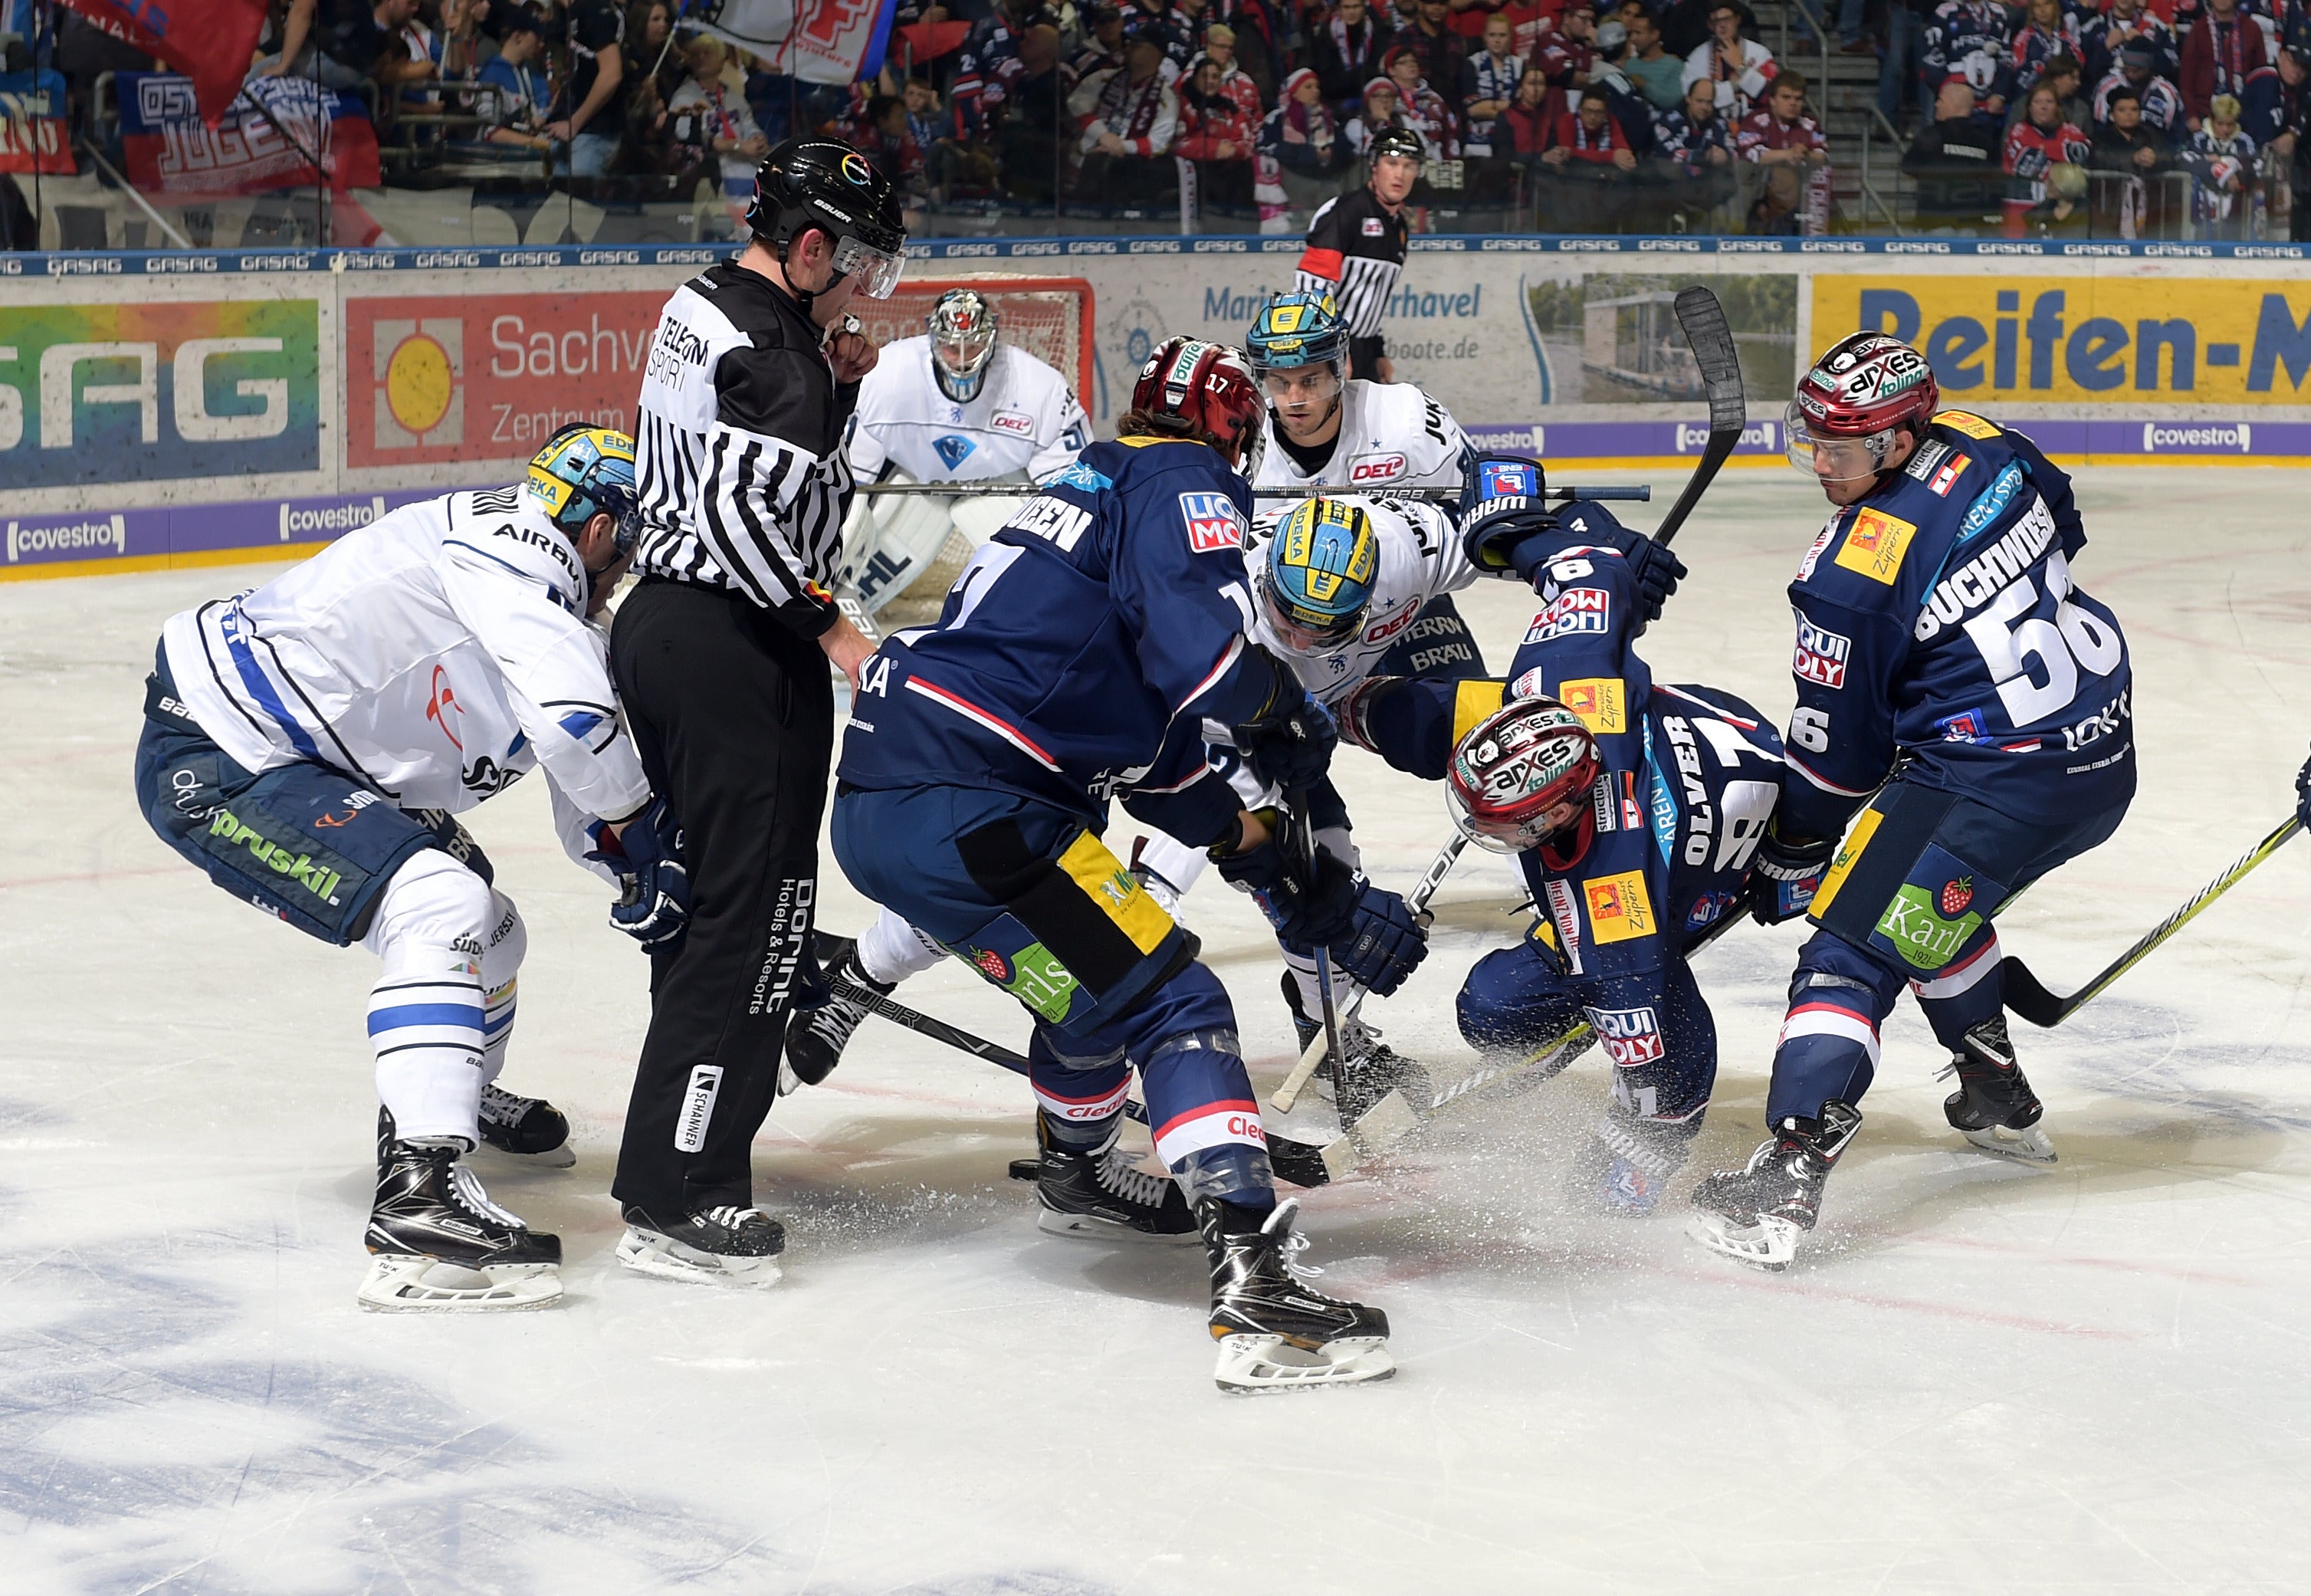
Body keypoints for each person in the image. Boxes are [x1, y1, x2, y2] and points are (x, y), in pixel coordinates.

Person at [830, 337, 1422, 1390]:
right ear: (1231, 432)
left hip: (892, 799)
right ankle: (1255, 1282)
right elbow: (1204, 657)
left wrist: (1273, 861)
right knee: (1177, 1002)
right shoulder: (1177, 474)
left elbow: (1162, 773)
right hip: (985, 808)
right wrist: (1281, 710)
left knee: (1093, 992)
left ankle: (1078, 1175)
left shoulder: (1075, 493)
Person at [133, 428, 661, 1312]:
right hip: (226, 753)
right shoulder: (521, 558)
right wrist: (649, 843)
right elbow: (575, 724)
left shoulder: (538, 587)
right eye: (630, 547)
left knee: (493, 928)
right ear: (600, 531)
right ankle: (420, 1199)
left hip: (298, 751)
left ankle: (455, 1089)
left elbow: (584, 794)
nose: (627, 573)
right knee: (442, 906)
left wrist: (661, 879)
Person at [1687, 334, 2134, 1272]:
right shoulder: (1986, 440)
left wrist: (1794, 850)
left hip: (1987, 779)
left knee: (1849, 951)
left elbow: (1838, 762)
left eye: (1842, 447)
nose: (1822, 462)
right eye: (1813, 440)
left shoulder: (1851, 571)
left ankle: (1790, 1170)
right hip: (2099, 756)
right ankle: (1994, 1088)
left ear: (1898, 439)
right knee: (1929, 899)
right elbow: (2063, 528)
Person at [1335, 458, 1786, 1213]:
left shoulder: (1614, 909)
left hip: (1721, 851)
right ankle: (1343, 709)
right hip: (1709, 733)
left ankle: (1597, 1039)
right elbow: (1590, 568)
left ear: (1556, 817)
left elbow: (1666, 1066)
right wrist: (1509, 523)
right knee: (1447, 717)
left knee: (1565, 1012)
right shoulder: (1566, 677)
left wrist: (1640, 1150)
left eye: (1507, 826)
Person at [616, 138, 904, 1287]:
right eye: (858, 263)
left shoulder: (704, 304)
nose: (862, 289)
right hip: (739, 653)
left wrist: (836, 383)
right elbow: (746, 523)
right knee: (759, 924)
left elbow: (721, 472)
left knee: (707, 917)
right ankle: (679, 1191)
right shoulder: (782, 356)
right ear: (810, 246)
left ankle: (680, 1157)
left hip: (661, 629)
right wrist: (833, 630)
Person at [1296, 124, 1420, 381]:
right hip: (1329, 347)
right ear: (1374, 165)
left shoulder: (1399, 227)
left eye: (1409, 166)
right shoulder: (1345, 212)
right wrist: (1332, 350)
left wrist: (1377, 352)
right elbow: (1310, 287)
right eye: (1392, 163)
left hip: (1364, 350)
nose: (1400, 174)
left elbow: (1372, 299)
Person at [1072, 18, 1182, 207]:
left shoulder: (1166, 98)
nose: (1127, 48)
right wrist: (1103, 135)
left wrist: (1120, 146)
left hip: (1124, 173)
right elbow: (1076, 104)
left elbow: (1157, 143)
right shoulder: (1103, 78)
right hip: (1080, 157)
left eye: (1135, 45)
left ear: (1154, 53)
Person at [668, 34, 771, 195]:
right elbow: (688, 137)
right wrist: (737, 146)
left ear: (722, 60)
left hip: (746, 169)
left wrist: (756, 137)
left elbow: (748, 124)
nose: (701, 58)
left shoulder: (734, 98)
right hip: (709, 175)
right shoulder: (683, 98)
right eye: (696, 54)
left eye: (707, 53)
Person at [1736, 69, 1828, 235]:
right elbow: (1751, 155)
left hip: (1797, 194)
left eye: (1798, 99)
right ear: (1772, 100)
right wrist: (1788, 154)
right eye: (1786, 97)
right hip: (1757, 188)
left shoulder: (1810, 123)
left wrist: (1805, 154)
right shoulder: (1755, 120)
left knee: (1792, 177)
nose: (1793, 103)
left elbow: (1822, 156)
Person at [1541, 83, 1639, 231]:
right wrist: (1611, 156)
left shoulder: (1612, 122)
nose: (1593, 117)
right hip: (1573, 185)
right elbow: (1566, 154)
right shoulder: (1567, 120)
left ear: (1605, 114)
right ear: (1580, 109)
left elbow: (1625, 155)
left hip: (1605, 186)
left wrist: (1620, 157)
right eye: (1588, 111)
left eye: (1599, 112)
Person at [1902, 76, 2002, 222]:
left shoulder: (1931, 135)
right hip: (1972, 221)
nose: (1936, 104)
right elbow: (1995, 178)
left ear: (1954, 105)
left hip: (1934, 218)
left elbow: (1908, 166)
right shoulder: (1986, 140)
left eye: (1941, 100)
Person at [547, 0, 627, 176]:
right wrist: (553, 110)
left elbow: (611, 74)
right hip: (572, 131)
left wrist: (574, 123)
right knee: (559, 194)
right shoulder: (573, 12)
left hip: (592, 135)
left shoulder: (594, 9)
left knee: (579, 194)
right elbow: (578, 71)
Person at [2002, 80, 2090, 233]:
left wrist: (2044, 150)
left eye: (2049, 102)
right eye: (2038, 102)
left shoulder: (2072, 130)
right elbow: (2028, 165)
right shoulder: (2018, 131)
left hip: (2065, 207)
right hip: (2022, 205)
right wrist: (2063, 154)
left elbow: (2082, 156)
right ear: (2029, 107)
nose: (2044, 107)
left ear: (2057, 106)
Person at [1682, 1, 1776, 120]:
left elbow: (1771, 95)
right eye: (1717, 21)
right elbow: (1693, 100)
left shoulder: (1760, 53)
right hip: (1712, 123)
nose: (1723, 25)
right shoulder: (1697, 57)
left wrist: (1740, 67)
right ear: (1710, 25)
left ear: (1738, 19)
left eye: (1727, 19)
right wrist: (1735, 85)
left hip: (1754, 122)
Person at [2181, 0, 2267, 128]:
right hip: (2205, 115)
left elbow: (2261, 77)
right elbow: (2186, 80)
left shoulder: (2252, 29)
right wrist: (2191, 115)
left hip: (2243, 115)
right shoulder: (2198, 30)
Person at [2183, 91, 2261, 232]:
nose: (2225, 129)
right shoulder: (2199, 139)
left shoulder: (2245, 141)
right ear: (2211, 120)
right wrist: (2219, 169)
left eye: (2230, 124)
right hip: (2204, 211)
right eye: (2220, 124)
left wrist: (2227, 166)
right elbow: (2186, 160)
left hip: (2237, 213)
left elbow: (2257, 166)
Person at [1922, 0, 2010, 121]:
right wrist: (1950, 90)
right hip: (1954, 104)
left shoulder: (1999, 12)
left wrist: (2000, 94)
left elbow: (2007, 58)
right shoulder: (1946, 11)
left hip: (1989, 105)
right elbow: (1931, 57)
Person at [1313, 0, 1397, 121]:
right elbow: (1327, 82)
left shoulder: (1377, 31)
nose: (1352, 12)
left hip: (1372, 99)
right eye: (1347, 7)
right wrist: (1361, 73)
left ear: (1364, 7)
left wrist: (1350, 77)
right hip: (1336, 102)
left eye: (1356, 7)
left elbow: (1378, 72)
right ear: (1339, 9)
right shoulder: (1326, 35)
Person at [2093, 38, 2187, 136]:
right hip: (2114, 142)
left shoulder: (2167, 92)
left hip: (2156, 143)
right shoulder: (2108, 87)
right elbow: (2099, 127)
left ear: (2149, 67)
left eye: (2136, 71)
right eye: (2127, 69)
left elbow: (2176, 133)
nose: (2130, 74)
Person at [1624, 8, 1688, 110]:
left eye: (1638, 33)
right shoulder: (1629, 65)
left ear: (1655, 35)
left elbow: (1674, 100)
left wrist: (1644, 85)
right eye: (1632, 33)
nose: (1632, 38)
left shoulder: (1675, 66)